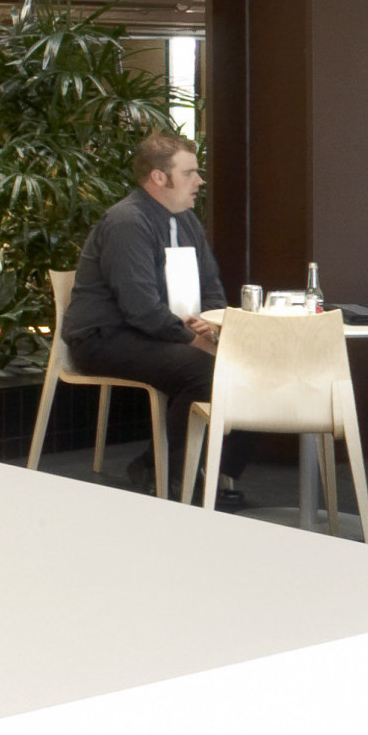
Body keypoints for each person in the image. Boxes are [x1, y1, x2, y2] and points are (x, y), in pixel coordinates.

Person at [62, 128, 250, 503]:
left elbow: (211, 286)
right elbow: (140, 307)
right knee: (206, 372)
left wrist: (211, 326)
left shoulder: (187, 221)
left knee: (248, 365)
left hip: (156, 333)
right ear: (158, 177)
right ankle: (169, 474)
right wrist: (192, 340)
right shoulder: (128, 222)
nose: (199, 180)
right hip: (105, 337)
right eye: (190, 173)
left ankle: (208, 470)